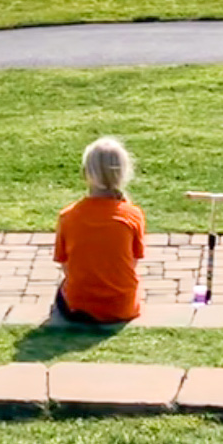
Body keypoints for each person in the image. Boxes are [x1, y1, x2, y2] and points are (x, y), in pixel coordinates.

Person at [53, 136, 146, 323]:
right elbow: (133, 261)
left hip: (79, 307)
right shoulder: (133, 215)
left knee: (61, 289)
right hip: (122, 308)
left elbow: (65, 264)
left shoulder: (68, 217)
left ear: (86, 173)